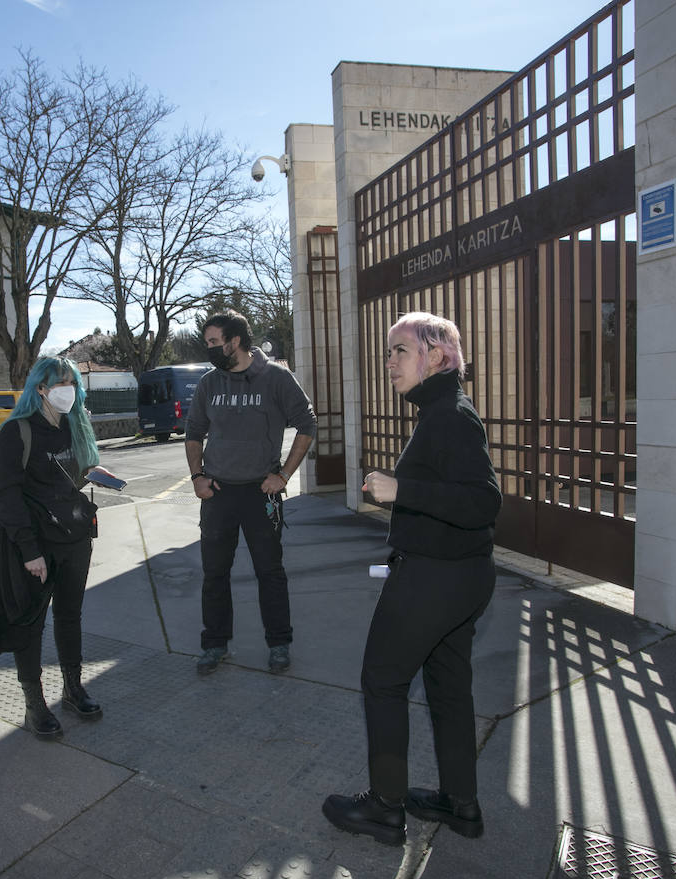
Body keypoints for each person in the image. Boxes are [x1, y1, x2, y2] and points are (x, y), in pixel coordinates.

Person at [322, 311, 501, 847]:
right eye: (388, 352)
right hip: (458, 578)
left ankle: (384, 807)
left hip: (434, 579)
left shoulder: (449, 415)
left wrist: (403, 491)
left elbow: (483, 502)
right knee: (448, 690)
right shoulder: (442, 411)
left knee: (383, 680)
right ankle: (460, 803)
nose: (389, 362)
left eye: (399, 351)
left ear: (438, 356)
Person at [0, 356, 107, 739]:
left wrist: (95, 474)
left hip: (73, 537)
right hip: (34, 543)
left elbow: (71, 478)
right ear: (41, 388)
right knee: (30, 623)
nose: (69, 390)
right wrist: (29, 551)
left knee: (69, 615)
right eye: (60, 383)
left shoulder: (75, 425)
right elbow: (5, 496)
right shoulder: (18, 431)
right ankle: (35, 704)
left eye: (73, 383)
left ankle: (73, 688)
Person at [185, 311, 317, 675]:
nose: (209, 348)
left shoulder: (275, 377)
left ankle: (279, 644)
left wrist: (284, 475)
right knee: (214, 574)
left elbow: (307, 423)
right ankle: (214, 645)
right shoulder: (210, 383)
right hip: (218, 493)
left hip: (262, 494)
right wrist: (197, 476)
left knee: (270, 572)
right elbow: (194, 430)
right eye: (207, 342)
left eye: (214, 342)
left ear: (236, 341)